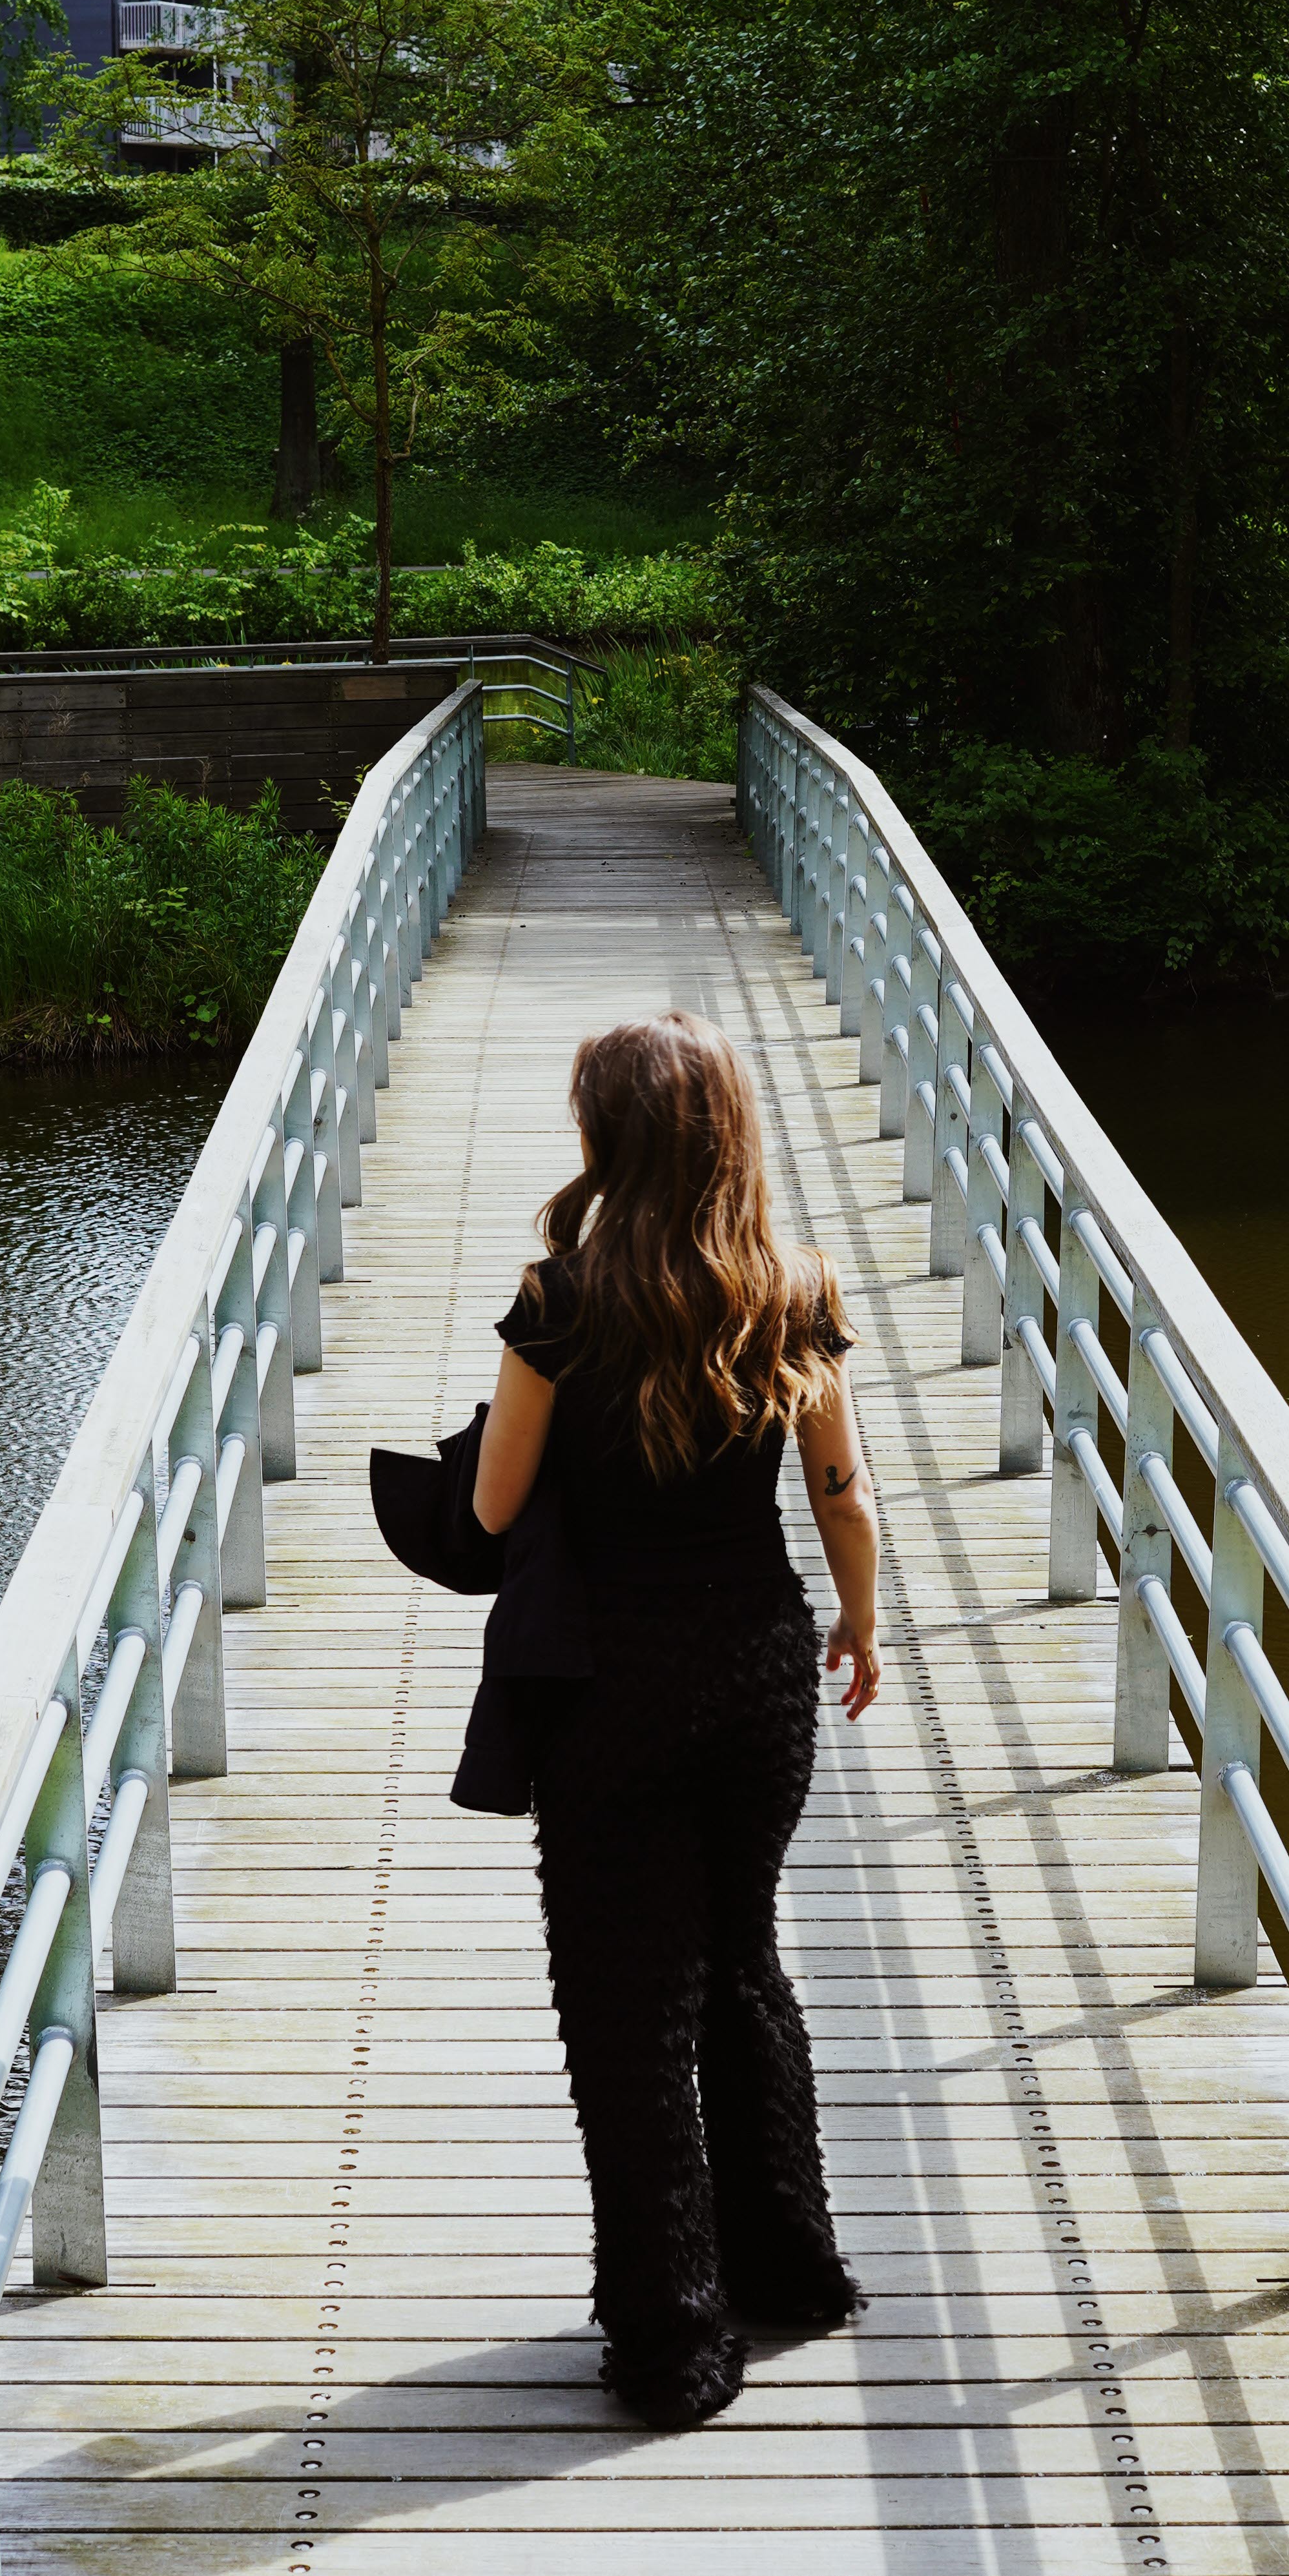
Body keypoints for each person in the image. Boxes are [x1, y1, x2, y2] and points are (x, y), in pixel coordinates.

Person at [473, 1010, 883, 2428]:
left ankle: (672, 2336)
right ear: (726, 1128)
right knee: (742, 1966)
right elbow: (840, 1493)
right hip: (759, 1672)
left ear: (606, 1134)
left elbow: (491, 1506)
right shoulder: (795, 1286)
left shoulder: (560, 1294)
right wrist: (860, 1623)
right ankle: (788, 2266)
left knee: (625, 2007)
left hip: (605, 1690)